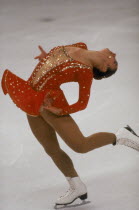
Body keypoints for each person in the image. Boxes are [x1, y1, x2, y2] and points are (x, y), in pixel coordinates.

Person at [1, 42, 139, 206]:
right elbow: (56, 62)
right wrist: (47, 58)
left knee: (80, 145)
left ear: (103, 68)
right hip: (31, 99)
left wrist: (60, 110)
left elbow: (82, 103)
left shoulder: (85, 71)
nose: (115, 56)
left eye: (113, 63)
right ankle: (76, 187)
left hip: (51, 102)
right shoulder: (80, 45)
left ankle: (119, 136)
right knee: (51, 149)